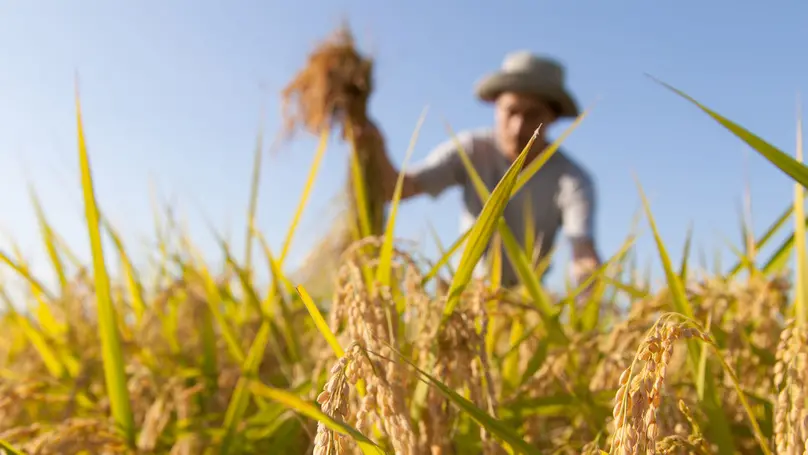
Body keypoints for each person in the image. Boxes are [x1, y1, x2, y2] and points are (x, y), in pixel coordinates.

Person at [355, 50, 601, 290]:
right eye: (511, 111)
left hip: (525, 303)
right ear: (496, 107)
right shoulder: (471, 150)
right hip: (469, 291)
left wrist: (589, 296)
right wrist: (373, 146)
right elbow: (399, 189)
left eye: (532, 115)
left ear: (552, 117)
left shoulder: (572, 179)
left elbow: (582, 249)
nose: (518, 127)